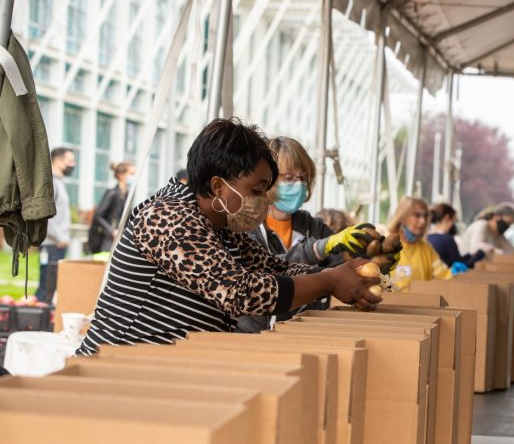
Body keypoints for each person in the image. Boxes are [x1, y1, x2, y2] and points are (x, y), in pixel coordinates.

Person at [76, 118, 380, 356]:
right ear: (219, 186)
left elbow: (275, 269)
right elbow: (240, 292)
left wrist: (337, 273)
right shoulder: (168, 218)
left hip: (163, 376)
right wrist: (328, 282)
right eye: (257, 189)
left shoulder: (222, 231)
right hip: (116, 373)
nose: (264, 199)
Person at [238, 136, 376, 332]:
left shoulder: (315, 227)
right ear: (267, 180)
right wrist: (317, 249)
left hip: (305, 333)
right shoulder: (247, 226)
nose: (298, 184)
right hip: (253, 336)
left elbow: (343, 271)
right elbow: (269, 269)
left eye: (303, 178)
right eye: (288, 178)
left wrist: (374, 263)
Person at [37, 147, 76, 303]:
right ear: (58, 161)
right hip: (52, 244)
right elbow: (46, 215)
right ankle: (37, 320)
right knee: (46, 287)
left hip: (57, 244)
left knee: (50, 287)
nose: (73, 165)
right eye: (70, 161)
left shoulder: (59, 182)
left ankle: (43, 318)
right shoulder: (51, 182)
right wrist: (60, 237)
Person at [390, 197, 453, 291]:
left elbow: (443, 274)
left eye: (425, 216)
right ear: (402, 217)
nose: (422, 221)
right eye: (417, 215)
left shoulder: (426, 248)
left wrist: (455, 274)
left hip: (421, 304)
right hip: (390, 304)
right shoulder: (386, 245)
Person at [88, 162, 135, 254]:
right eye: (132, 174)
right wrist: (112, 231)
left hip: (120, 239)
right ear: (121, 175)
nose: (134, 177)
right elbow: (98, 215)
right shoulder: (112, 193)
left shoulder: (127, 195)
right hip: (107, 241)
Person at [428, 203, 485, 270]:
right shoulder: (447, 240)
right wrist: (480, 253)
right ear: (447, 218)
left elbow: (455, 259)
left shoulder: (427, 237)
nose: (453, 225)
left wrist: (470, 255)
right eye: (454, 221)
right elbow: (462, 266)